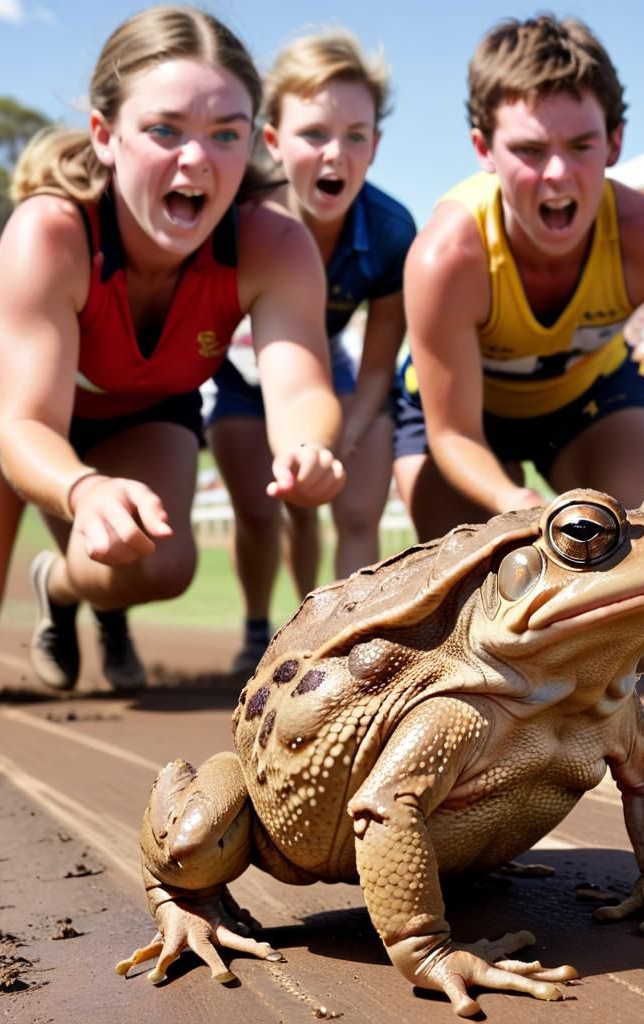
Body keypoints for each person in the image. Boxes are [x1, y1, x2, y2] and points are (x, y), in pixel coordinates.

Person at [0, 6, 344, 690]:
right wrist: (84, 488)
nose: (195, 159)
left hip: (140, 405)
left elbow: (303, 388)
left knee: (161, 564)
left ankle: (62, 588)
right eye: (164, 129)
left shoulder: (275, 245)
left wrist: (307, 447)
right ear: (105, 135)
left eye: (226, 133)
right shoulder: (50, 233)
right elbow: (25, 426)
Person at [393, 15, 644, 540]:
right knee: (469, 584)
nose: (557, 173)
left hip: (588, 401)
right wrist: (518, 504)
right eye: (530, 151)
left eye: (581, 146)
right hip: (459, 428)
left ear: (614, 142)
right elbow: (454, 434)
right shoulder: (444, 257)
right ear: (482, 150)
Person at [206, 30, 415, 675]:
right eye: (314, 134)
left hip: (339, 369)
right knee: (262, 514)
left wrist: (347, 431)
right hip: (242, 371)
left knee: (355, 507)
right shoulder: (232, 213)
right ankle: (256, 628)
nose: (336, 154)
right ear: (271, 141)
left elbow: (381, 358)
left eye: (356, 136)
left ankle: (347, 645)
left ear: (376, 145)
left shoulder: (390, 229)